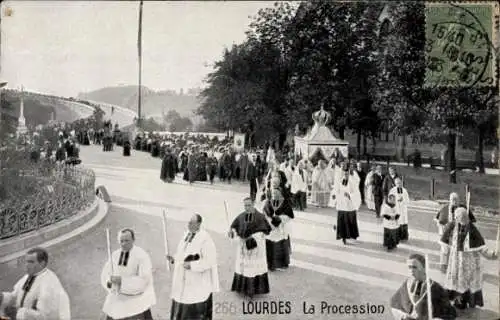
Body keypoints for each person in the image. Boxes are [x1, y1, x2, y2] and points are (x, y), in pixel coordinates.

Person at [439, 207, 497, 309]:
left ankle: (466, 301)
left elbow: (481, 248)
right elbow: (444, 246)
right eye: (460, 218)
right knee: (455, 281)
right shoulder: (451, 227)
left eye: (465, 218)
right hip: (455, 261)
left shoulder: (472, 229)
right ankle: (457, 301)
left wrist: (492, 254)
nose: (463, 221)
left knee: (467, 283)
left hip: (469, 263)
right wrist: (443, 262)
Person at [167, 214, 219, 320]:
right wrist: (174, 258)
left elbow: (209, 261)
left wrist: (192, 265)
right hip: (182, 280)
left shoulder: (205, 238)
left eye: (192, 222)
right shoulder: (186, 235)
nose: (189, 224)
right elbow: (182, 253)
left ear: (199, 224)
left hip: (197, 282)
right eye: (189, 222)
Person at [0, 247, 71, 320]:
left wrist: (18, 313)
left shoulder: (49, 284)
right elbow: (15, 297)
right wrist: (2, 297)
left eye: (31, 262)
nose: (26, 265)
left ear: (42, 264)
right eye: (26, 261)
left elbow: (45, 316)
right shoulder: (28, 277)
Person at [100, 229, 156, 320]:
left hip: (135, 302)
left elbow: (144, 281)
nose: (123, 244)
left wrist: (122, 281)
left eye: (127, 241)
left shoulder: (141, 255)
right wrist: (109, 282)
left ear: (133, 240)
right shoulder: (115, 254)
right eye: (121, 241)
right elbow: (105, 273)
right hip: (117, 301)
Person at [390, 253, 457, 320]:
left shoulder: (436, 288)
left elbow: (450, 314)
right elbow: (394, 304)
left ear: (424, 268)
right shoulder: (407, 284)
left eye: (414, 267)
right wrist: (402, 316)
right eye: (409, 267)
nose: (411, 271)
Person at [228, 197, 272, 297]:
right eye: (245, 205)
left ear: (253, 204)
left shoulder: (260, 217)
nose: (247, 207)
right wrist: (232, 232)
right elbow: (234, 228)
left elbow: (264, 232)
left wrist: (251, 238)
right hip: (243, 248)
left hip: (255, 249)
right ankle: (241, 288)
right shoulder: (241, 216)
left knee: (253, 268)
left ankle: (252, 290)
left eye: (249, 205)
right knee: (243, 267)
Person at [262, 187, 294, 271]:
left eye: (276, 193)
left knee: (281, 243)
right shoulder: (268, 202)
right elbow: (265, 213)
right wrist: (269, 221)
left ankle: (282, 264)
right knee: (270, 244)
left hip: (281, 227)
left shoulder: (285, 203)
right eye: (273, 193)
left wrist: (280, 219)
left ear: (280, 194)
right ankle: (271, 265)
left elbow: (289, 216)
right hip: (271, 227)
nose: (274, 195)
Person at [333, 167, 361, 245]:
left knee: (350, 220)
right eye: (344, 174)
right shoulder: (340, 182)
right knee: (342, 221)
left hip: (350, 205)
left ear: (349, 174)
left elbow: (356, 193)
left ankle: (352, 235)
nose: (345, 175)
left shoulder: (353, 182)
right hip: (341, 205)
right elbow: (336, 191)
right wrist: (335, 196)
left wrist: (349, 195)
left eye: (347, 174)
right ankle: (343, 237)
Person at [389, 177, 410, 241]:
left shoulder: (404, 190)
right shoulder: (392, 190)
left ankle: (404, 237)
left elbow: (408, 200)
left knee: (403, 222)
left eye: (400, 183)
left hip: (403, 210)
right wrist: (397, 200)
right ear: (395, 183)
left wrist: (403, 200)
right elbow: (390, 200)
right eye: (397, 183)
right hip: (396, 209)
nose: (399, 184)